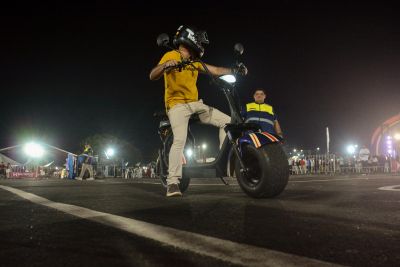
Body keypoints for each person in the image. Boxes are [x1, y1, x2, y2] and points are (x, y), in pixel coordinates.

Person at [149, 25, 247, 197]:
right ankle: (172, 182)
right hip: (177, 105)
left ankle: (227, 164)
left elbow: (215, 70)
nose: (202, 44)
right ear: (190, 38)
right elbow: (152, 75)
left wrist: (234, 70)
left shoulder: (195, 62)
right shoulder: (171, 55)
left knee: (230, 123)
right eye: (199, 40)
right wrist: (166, 65)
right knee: (180, 139)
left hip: (196, 104)